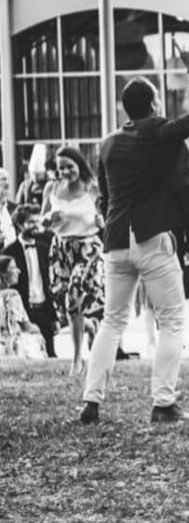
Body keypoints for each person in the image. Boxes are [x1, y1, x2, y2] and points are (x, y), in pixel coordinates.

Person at [80, 44, 189, 424]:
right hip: (151, 237)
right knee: (171, 319)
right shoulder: (159, 131)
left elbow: (105, 198)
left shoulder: (107, 144)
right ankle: (163, 402)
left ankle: (91, 401)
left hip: (115, 241)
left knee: (112, 321)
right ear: (154, 104)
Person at [43, 146, 105, 376]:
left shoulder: (93, 188)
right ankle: (88, 325)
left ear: (79, 164)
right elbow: (43, 223)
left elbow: (105, 220)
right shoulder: (52, 188)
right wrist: (49, 218)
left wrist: (101, 223)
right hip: (61, 249)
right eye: (61, 168)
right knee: (63, 301)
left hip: (87, 247)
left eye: (70, 166)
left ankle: (77, 358)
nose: (66, 172)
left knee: (73, 297)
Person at [4, 204, 57, 358]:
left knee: (50, 354)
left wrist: (54, 317)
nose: (35, 226)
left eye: (37, 222)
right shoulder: (9, 252)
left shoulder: (44, 247)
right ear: (20, 225)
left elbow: (49, 284)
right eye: (31, 222)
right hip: (23, 309)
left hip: (44, 308)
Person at [0, 255, 42, 358]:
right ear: (3, 274)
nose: (18, 271)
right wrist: (37, 328)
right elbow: (26, 327)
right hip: (8, 345)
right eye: (13, 268)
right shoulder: (12, 295)